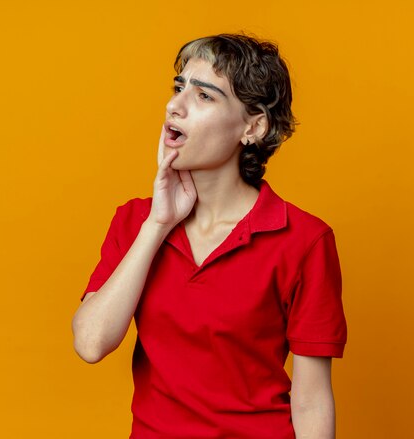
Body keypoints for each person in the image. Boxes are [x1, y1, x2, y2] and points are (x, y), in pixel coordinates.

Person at [72, 33, 347, 439]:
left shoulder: (304, 240)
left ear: (252, 127)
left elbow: (311, 400)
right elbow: (91, 343)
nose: (174, 106)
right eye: (179, 87)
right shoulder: (135, 222)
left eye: (204, 96)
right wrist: (158, 225)